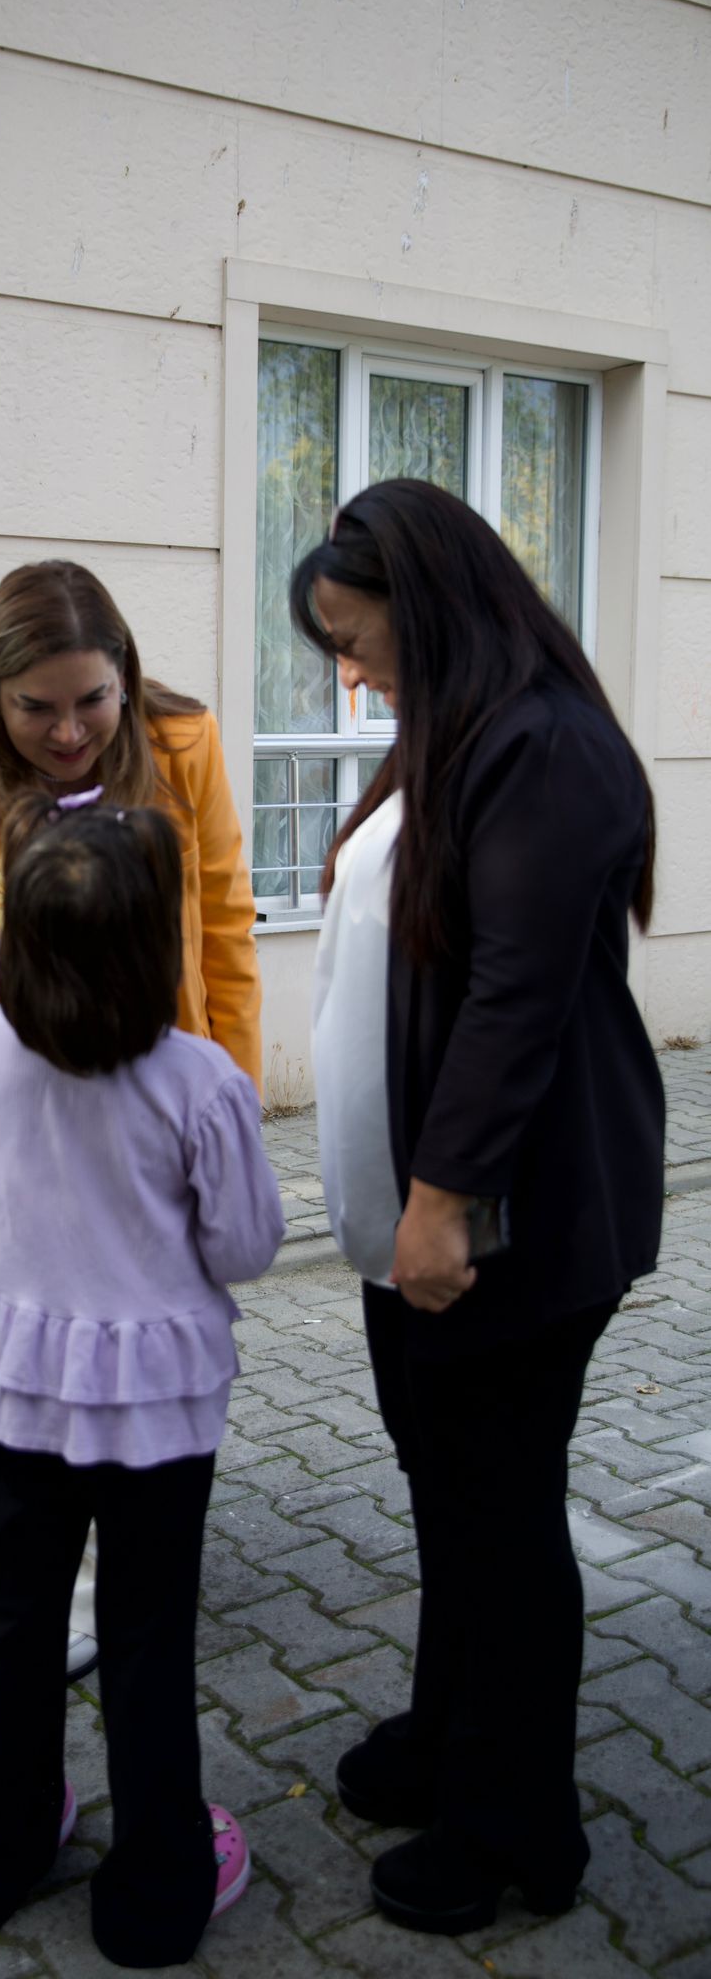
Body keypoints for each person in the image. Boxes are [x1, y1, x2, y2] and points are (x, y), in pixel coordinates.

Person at [297, 478, 664, 1935]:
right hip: (420, 1225)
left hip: (510, 1225)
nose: (348, 673)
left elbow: (514, 992)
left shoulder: (547, 746)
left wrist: (441, 1203)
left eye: (353, 639)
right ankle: (448, 1734)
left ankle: (518, 1832)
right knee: (449, 1491)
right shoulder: (453, 734)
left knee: (501, 1515)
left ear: (430, 606)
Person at [0, 559, 263, 1680]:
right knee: (9, 1346)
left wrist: (227, 1105)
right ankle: (18, 1546)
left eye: (93, 700)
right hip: (11, 1121)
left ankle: (99, 1580)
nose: (71, 731)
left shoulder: (182, 743)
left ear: (125, 674)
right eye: (36, 707)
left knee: (130, 1346)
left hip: (150, 1118)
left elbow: (225, 930)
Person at [0, 789, 284, 1967]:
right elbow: (245, 1245)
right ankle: (157, 1889)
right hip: (159, 1409)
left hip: (20, 1388)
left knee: (16, 1614)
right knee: (145, 1629)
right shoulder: (201, 1079)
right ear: (157, 940)